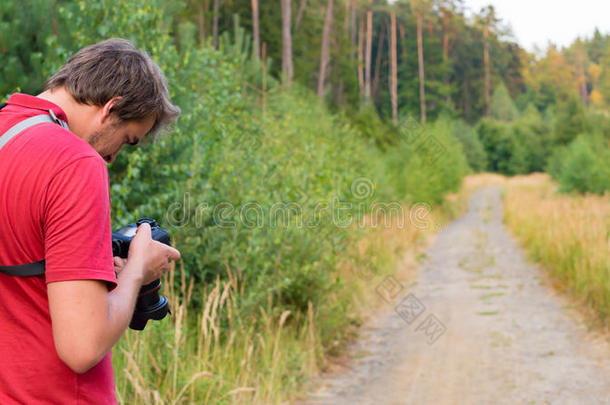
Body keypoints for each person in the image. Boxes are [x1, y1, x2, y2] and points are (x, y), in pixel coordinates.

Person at [0, 38, 182, 404]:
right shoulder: (76, 162)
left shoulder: (6, 130)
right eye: (127, 140)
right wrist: (136, 271)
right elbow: (82, 347)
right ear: (110, 108)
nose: (113, 158)